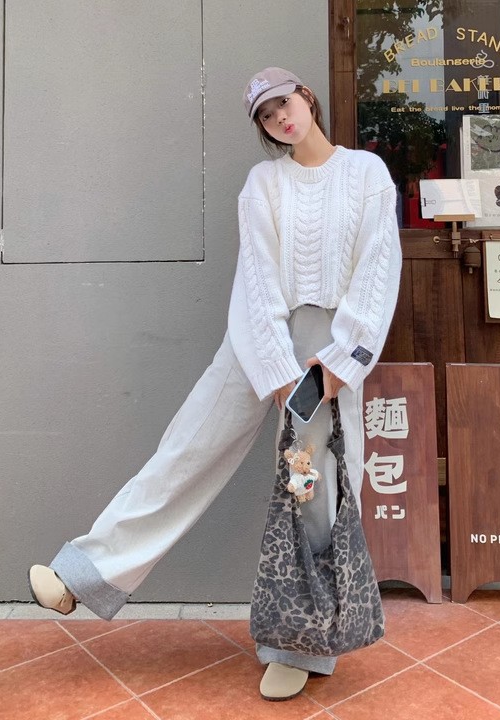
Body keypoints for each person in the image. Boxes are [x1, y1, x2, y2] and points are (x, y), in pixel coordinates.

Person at [28, 66, 402, 701]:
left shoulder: (367, 173)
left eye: (285, 103)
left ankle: (303, 646)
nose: (280, 118)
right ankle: (83, 573)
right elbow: (257, 277)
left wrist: (339, 363)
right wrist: (278, 371)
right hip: (258, 336)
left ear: (307, 98)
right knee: (189, 446)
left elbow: (378, 267)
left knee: (314, 488)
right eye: (267, 115)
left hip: (329, 347)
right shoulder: (263, 183)